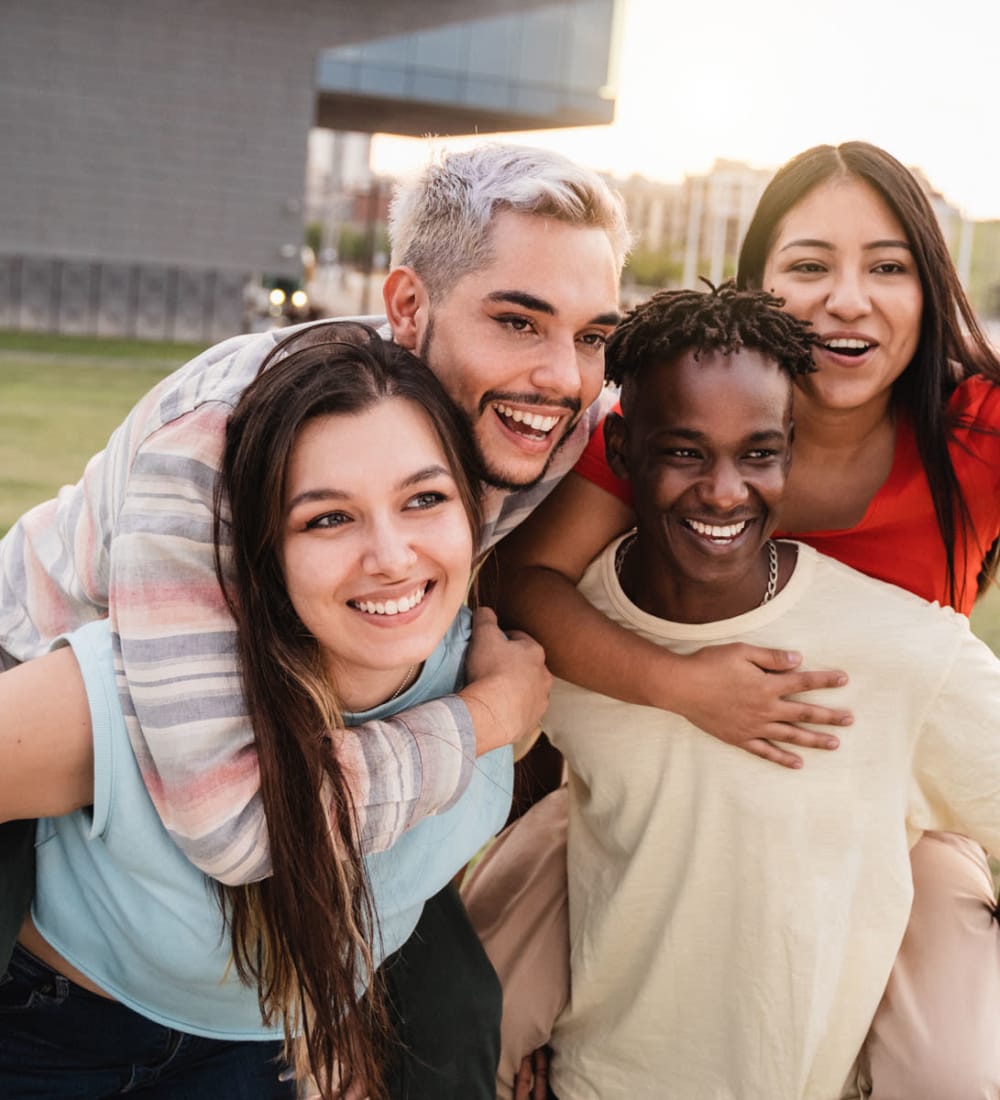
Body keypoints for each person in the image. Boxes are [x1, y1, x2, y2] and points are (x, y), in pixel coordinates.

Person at [490, 141, 1000, 1098]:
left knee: (950, 1072)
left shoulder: (977, 427)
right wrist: (682, 688)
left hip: (891, 808)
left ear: (931, 288)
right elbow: (527, 582)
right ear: (759, 282)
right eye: (810, 265)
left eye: (887, 266)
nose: (847, 297)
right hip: (659, 777)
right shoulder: (679, 420)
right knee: (456, 1021)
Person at [0, 324, 548, 1098]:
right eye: (328, 518)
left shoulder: (502, 673)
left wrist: (340, 1013)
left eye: (425, 499)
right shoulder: (115, 701)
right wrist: (486, 717)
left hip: (252, 1056)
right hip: (52, 1036)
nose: (391, 555)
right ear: (265, 554)